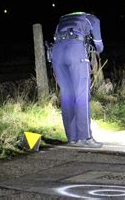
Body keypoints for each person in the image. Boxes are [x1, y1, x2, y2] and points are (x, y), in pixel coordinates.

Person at [51, 11, 104, 148]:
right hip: (75, 51)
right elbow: (96, 26)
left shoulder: (62, 19)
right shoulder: (89, 17)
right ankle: (85, 137)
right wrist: (99, 46)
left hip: (56, 54)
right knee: (81, 95)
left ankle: (72, 138)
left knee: (67, 95)